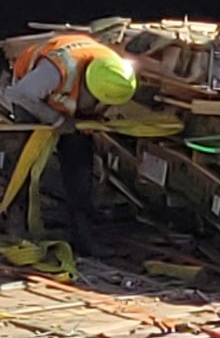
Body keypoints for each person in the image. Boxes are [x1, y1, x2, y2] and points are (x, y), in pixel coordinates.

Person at [0, 35, 139, 255]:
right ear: (87, 86)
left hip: (66, 101)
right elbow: (19, 95)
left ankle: (83, 236)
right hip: (28, 96)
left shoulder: (115, 73)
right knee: (24, 160)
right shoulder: (56, 71)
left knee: (80, 165)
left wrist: (95, 118)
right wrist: (58, 120)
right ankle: (15, 225)